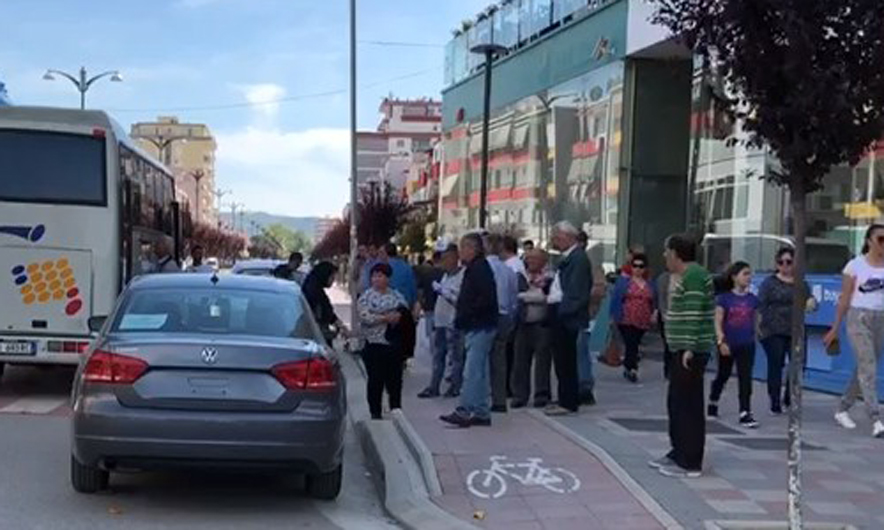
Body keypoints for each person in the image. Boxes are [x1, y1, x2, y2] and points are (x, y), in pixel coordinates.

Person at [650, 234, 714, 479]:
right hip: (678, 348)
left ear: (676, 253)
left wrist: (688, 346)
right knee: (676, 402)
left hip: (690, 351)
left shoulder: (695, 276)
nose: (664, 257)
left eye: (667, 252)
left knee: (688, 405)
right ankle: (678, 451)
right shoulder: (685, 276)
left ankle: (690, 460)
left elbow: (694, 313)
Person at [825, 224, 884, 438]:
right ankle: (876, 418)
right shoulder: (855, 265)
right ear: (869, 241)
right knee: (868, 366)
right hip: (858, 317)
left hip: (881, 318)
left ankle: (843, 408)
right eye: (880, 239)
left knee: (864, 367)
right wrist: (834, 328)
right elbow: (844, 299)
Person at [439, 233, 498, 428]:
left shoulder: (478, 269)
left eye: (464, 248)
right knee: (479, 371)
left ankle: (465, 410)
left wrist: (467, 314)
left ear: (473, 249)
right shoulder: (476, 268)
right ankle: (481, 411)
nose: (461, 252)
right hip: (478, 324)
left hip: (479, 325)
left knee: (472, 371)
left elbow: (484, 299)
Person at [758, 247, 815, 415]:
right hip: (773, 329)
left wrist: (811, 303)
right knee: (776, 365)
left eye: (789, 262)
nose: (785, 266)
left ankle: (789, 397)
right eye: (781, 262)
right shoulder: (769, 283)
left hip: (795, 329)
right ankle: (774, 401)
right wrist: (761, 325)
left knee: (798, 364)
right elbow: (761, 304)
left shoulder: (801, 283)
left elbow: (809, 300)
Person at [545, 222, 592, 416]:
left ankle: (568, 401)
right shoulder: (568, 258)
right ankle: (565, 397)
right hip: (560, 311)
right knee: (562, 360)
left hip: (566, 315)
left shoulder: (578, 258)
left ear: (567, 237)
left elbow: (577, 292)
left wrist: (564, 311)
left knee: (566, 360)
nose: (555, 241)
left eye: (557, 237)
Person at [708, 261, 760, 429]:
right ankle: (713, 399)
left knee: (745, 378)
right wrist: (720, 340)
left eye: (749, 274)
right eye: (745, 274)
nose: (748, 277)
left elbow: (756, 319)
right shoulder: (724, 298)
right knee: (723, 374)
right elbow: (718, 321)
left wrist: (756, 334)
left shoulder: (753, 299)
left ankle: (745, 411)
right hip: (728, 343)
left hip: (747, 343)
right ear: (734, 277)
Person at [358, 263, 409, 420]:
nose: (376, 279)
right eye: (374, 276)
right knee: (375, 379)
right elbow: (365, 317)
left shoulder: (396, 296)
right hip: (374, 343)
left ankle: (395, 406)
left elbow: (403, 312)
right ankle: (375, 411)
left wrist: (394, 317)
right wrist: (385, 317)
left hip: (392, 343)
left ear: (388, 278)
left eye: (380, 276)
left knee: (394, 377)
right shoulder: (366, 296)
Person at [418, 244, 465, 398]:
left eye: (446, 259)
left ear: (455, 258)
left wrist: (442, 291)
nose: (443, 262)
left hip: (453, 322)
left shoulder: (462, 276)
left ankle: (455, 386)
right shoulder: (446, 276)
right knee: (438, 356)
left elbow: (459, 299)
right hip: (440, 321)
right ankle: (434, 386)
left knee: (455, 357)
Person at [511, 249, 553, 408]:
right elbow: (516, 294)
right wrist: (533, 296)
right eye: (529, 258)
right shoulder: (520, 275)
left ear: (543, 261)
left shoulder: (550, 277)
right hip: (523, 323)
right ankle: (520, 395)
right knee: (520, 361)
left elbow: (546, 297)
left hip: (542, 324)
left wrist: (526, 296)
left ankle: (542, 395)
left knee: (543, 362)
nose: (531, 261)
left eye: (535, 259)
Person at [610, 252, 658, 383]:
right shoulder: (625, 282)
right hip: (626, 318)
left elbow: (654, 300)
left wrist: (654, 313)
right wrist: (614, 316)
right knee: (631, 342)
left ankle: (629, 365)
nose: (637, 269)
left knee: (635, 343)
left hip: (643, 319)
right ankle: (631, 368)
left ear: (645, 268)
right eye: (635, 266)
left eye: (641, 266)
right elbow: (616, 299)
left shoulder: (650, 284)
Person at [486, 234, 520, 413]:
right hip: (505, 316)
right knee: (499, 359)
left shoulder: (484, 268)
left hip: (487, 316)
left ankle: (480, 398)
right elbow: (515, 296)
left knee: (480, 358)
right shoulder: (508, 270)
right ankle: (499, 399)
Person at [303, 261, 347, 346]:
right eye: (332, 277)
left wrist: (340, 325)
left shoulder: (314, 287)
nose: (333, 280)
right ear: (325, 275)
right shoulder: (314, 293)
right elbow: (325, 313)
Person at [657, 269, 679, 380]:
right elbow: (661, 298)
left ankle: (676, 368)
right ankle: (669, 369)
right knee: (668, 344)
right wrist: (664, 314)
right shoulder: (664, 278)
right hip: (667, 316)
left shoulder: (685, 276)